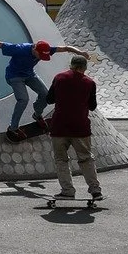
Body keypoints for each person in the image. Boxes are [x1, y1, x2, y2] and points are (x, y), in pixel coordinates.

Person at [0, 34, 86, 135]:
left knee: (45, 95)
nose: (42, 58)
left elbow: (65, 48)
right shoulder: (20, 49)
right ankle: (13, 128)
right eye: (41, 56)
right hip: (14, 76)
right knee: (23, 100)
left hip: (29, 74)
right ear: (35, 49)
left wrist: (80, 52)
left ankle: (37, 114)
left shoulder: (46, 49)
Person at [45, 54, 104, 204]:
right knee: (86, 158)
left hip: (59, 127)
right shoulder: (89, 82)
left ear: (71, 65)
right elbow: (92, 106)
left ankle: (68, 191)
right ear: (84, 68)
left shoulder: (59, 78)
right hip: (80, 128)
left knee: (61, 160)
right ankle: (95, 190)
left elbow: (49, 99)